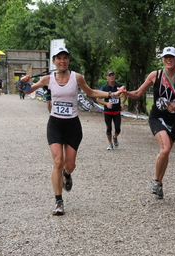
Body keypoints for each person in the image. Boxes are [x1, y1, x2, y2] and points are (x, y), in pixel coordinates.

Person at [20, 47, 124, 215]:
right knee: (57, 162)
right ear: (54, 61)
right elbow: (27, 90)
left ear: (68, 60)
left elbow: (91, 92)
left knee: (69, 165)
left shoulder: (77, 77)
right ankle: (58, 202)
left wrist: (112, 95)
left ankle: (67, 175)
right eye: (59, 58)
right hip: (55, 124)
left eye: (65, 58)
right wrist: (23, 81)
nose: (62, 61)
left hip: (73, 125)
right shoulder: (48, 78)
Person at [122, 46, 175, 199]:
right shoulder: (155, 75)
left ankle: (159, 184)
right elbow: (138, 93)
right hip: (157, 118)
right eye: (166, 57)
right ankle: (155, 179)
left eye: (171, 57)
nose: (168, 60)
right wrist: (126, 93)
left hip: (173, 120)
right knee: (165, 149)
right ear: (162, 59)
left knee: (166, 153)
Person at [96, 70, 127, 150]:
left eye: (112, 75)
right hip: (108, 111)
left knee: (118, 129)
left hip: (117, 111)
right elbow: (98, 99)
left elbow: (125, 95)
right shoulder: (104, 87)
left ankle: (115, 137)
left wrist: (122, 103)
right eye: (109, 75)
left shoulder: (119, 86)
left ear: (115, 76)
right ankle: (110, 144)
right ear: (107, 77)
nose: (111, 77)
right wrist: (106, 104)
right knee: (108, 128)